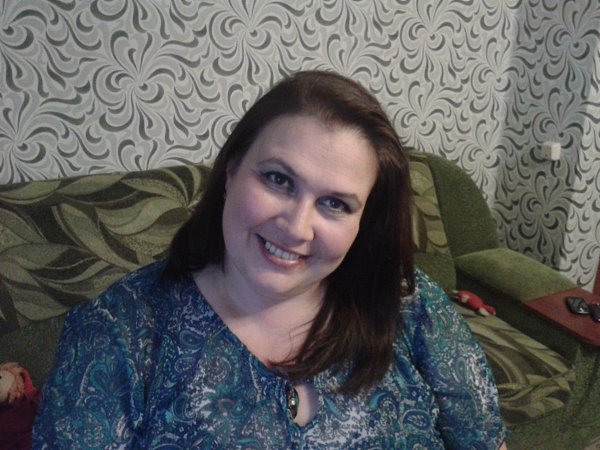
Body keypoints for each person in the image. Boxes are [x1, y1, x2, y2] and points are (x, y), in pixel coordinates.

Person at [33, 70, 507, 449]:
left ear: (363, 222)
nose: (297, 227)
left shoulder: (408, 304)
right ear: (232, 172)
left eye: (335, 204)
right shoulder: (116, 334)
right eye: (279, 180)